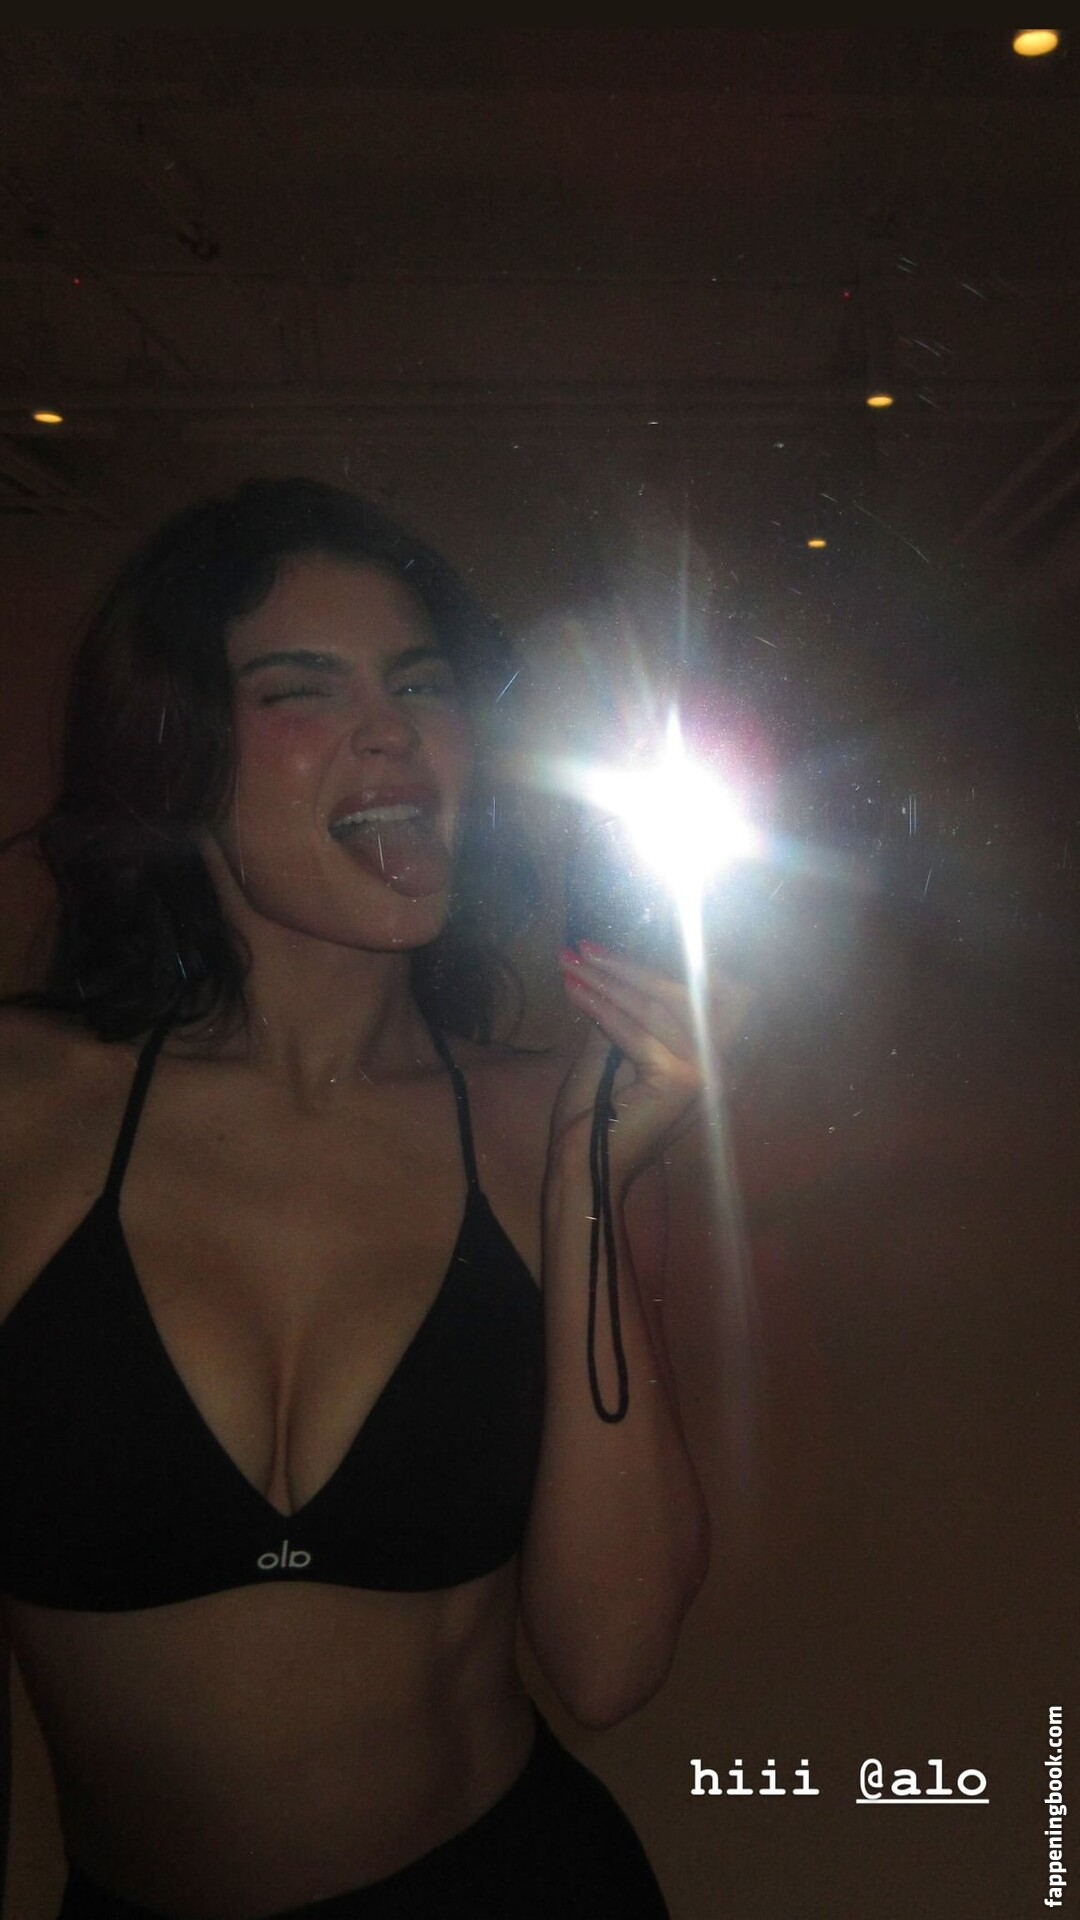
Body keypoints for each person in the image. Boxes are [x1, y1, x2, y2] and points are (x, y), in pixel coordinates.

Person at [0, 479, 735, 1919]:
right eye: (302, 688)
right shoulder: (22, 1115)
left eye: (421, 684)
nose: (393, 730)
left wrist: (589, 1177)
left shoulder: (550, 1120)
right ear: (177, 754)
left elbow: (609, 1663)